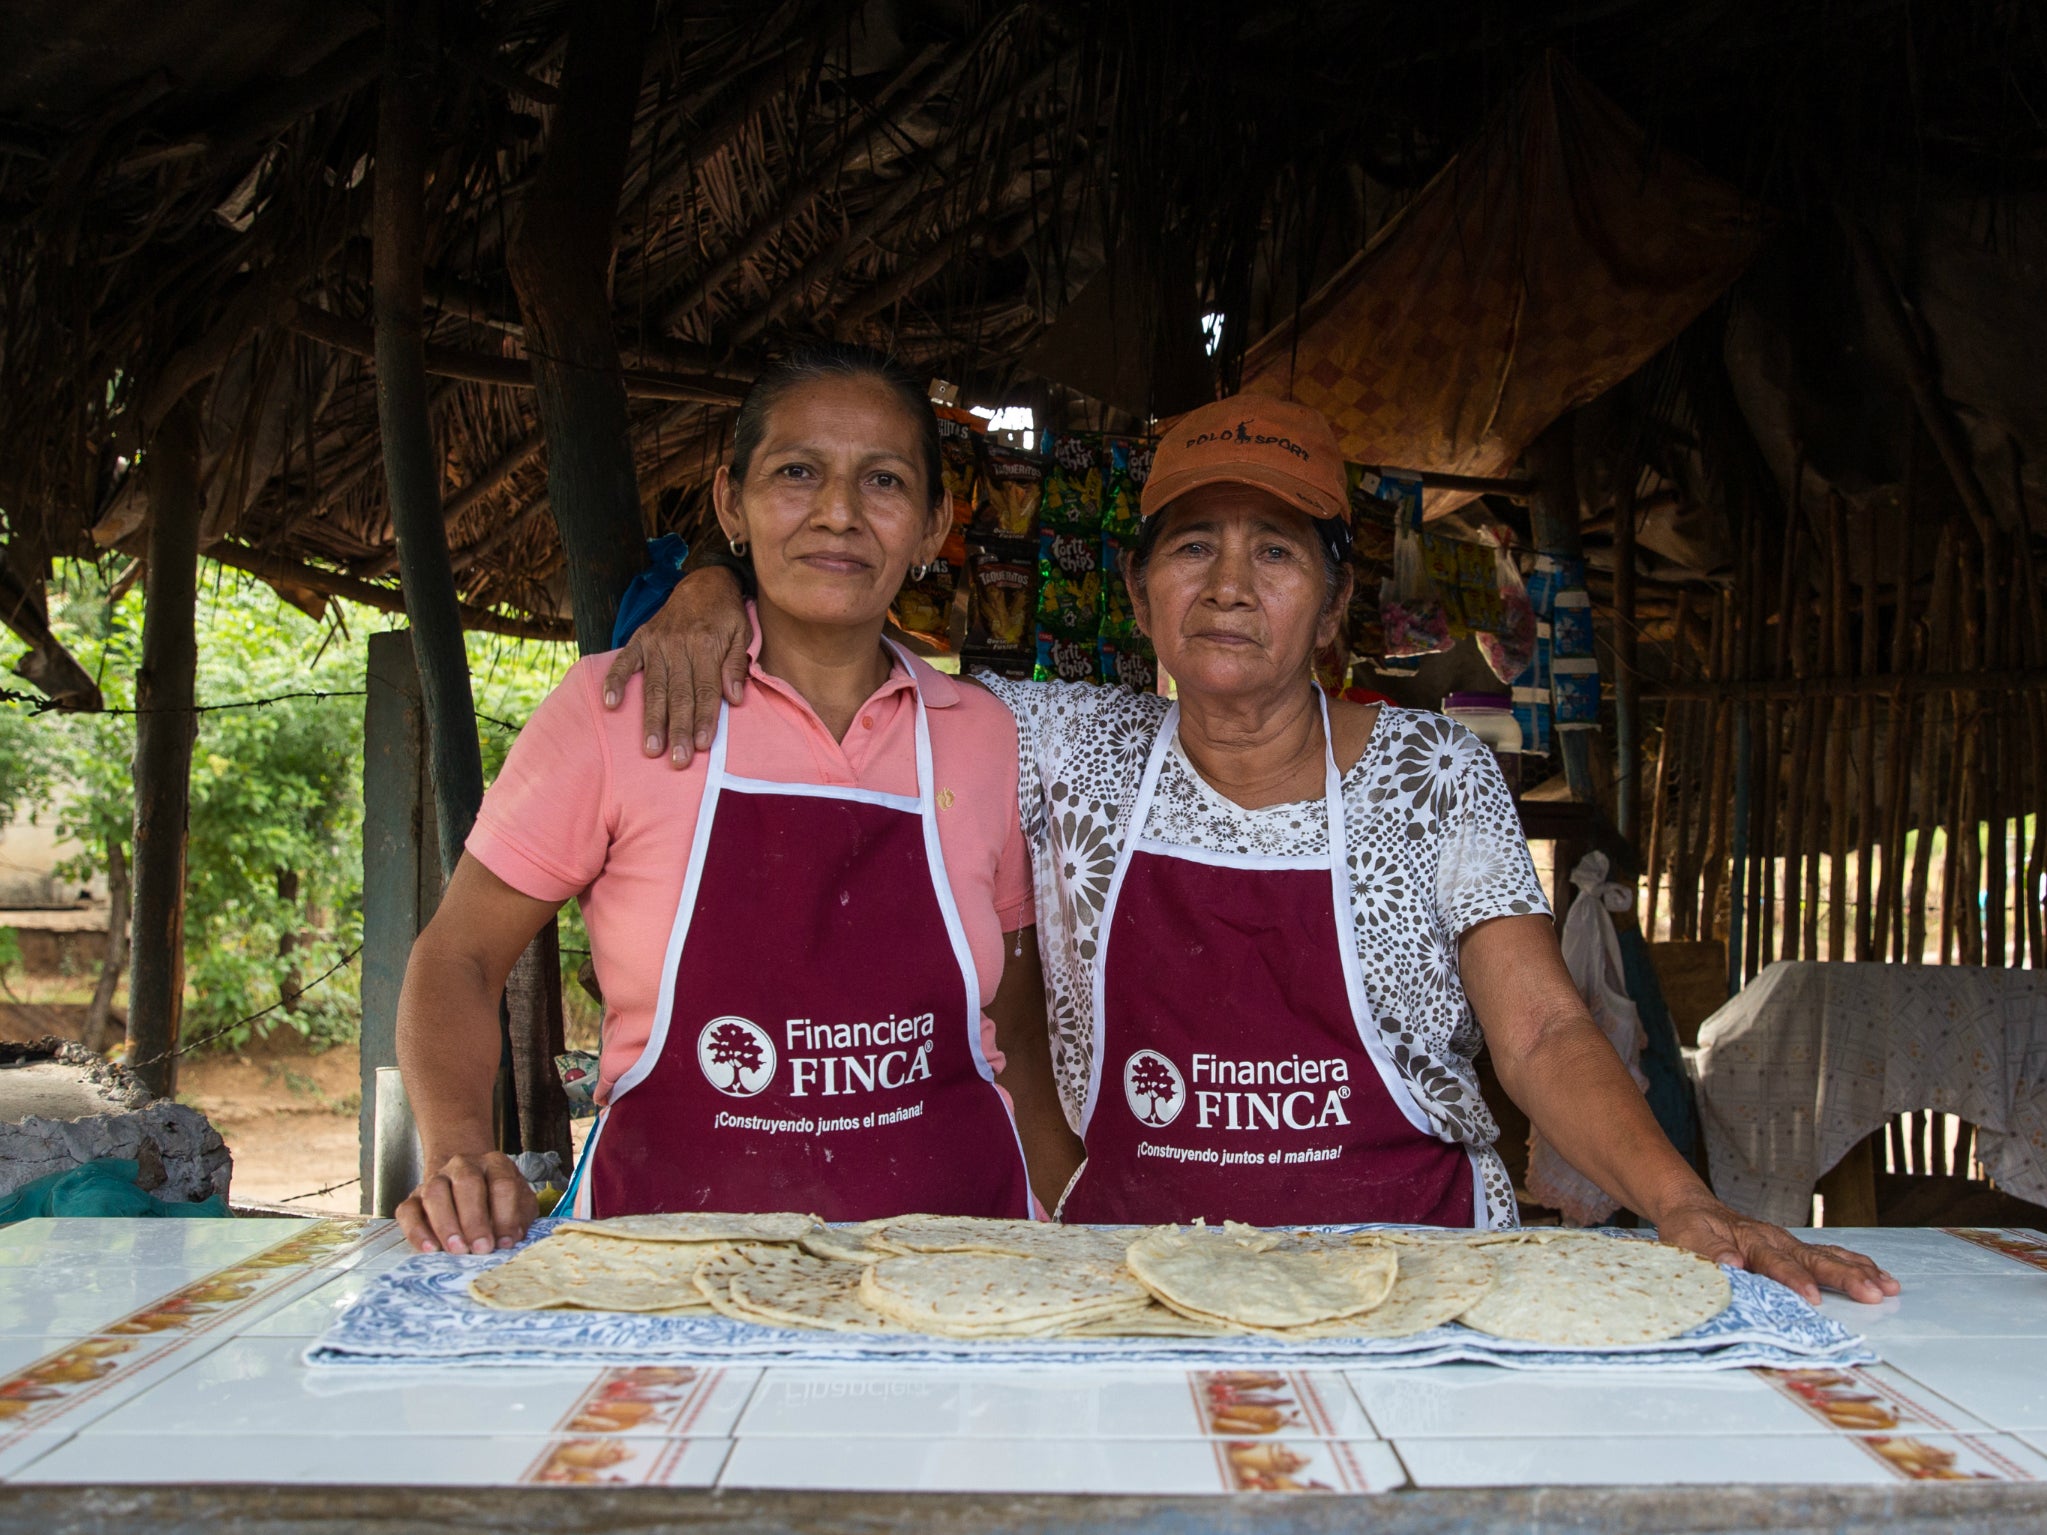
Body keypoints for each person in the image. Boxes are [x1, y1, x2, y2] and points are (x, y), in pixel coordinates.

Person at [610, 393, 1899, 1305]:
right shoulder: (1052, 742)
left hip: (1418, 1277)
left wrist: (1683, 1204)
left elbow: (1545, 1035)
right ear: (1138, 594)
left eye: (1276, 551)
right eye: (1192, 545)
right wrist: (707, 585)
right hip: (1135, 1287)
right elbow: (841, 624)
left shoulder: (1435, 772)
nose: (1230, 583)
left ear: (1336, 600)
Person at [392, 344, 1075, 1257]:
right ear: (730, 504)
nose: (838, 513)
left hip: (961, 1266)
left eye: (883, 481)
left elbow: (1014, 1023)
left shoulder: (981, 732)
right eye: (797, 472)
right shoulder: (618, 708)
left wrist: (1072, 1216)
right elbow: (459, 958)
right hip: (670, 1267)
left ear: (932, 524)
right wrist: (458, 1153)